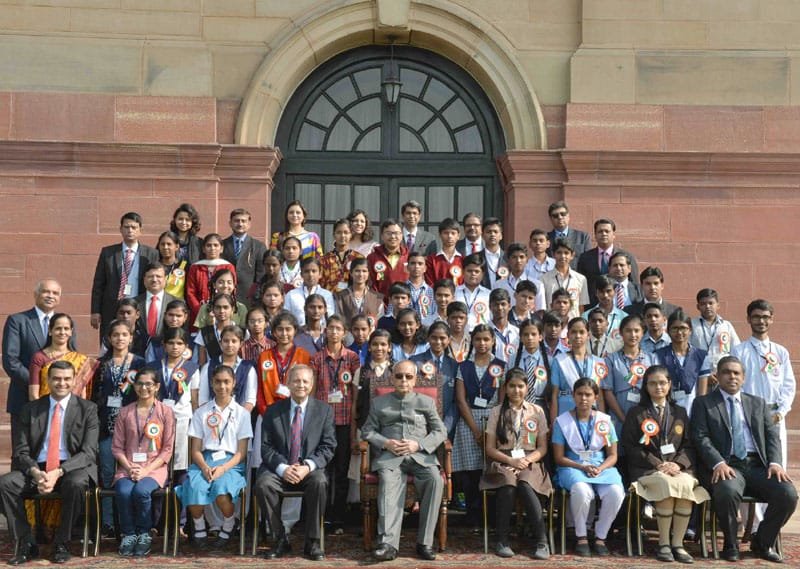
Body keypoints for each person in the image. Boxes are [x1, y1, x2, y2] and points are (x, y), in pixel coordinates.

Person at [690, 356, 797, 563]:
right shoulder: (703, 403)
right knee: (727, 490)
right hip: (727, 465)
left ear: (744, 377)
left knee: (788, 494)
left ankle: (762, 542)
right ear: (717, 376)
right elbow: (700, 437)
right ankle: (731, 544)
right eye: (726, 372)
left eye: (736, 373)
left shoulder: (757, 403)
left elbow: (772, 436)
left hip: (757, 466)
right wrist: (718, 462)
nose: (732, 377)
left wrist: (775, 463)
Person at [0, 360, 99, 565]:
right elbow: (21, 451)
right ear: (48, 380)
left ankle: (62, 543)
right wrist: (36, 472)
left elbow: (88, 453)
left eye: (66, 379)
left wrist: (59, 471)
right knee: (6, 484)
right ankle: (26, 542)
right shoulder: (30, 409)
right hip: (37, 468)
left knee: (77, 484)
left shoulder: (88, 409)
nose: (61, 383)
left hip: (71, 468)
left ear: (74, 380)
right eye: (56, 379)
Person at [622, 365, 709, 564]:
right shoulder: (636, 413)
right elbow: (630, 446)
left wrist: (678, 464)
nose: (658, 387)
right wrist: (657, 464)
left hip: (677, 469)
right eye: (652, 383)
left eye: (662, 383)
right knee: (666, 485)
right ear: (646, 386)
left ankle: (677, 544)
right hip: (648, 470)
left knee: (685, 485)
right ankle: (663, 544)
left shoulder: (680, 412)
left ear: (669, 384)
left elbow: (689, 445)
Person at [362, 360, 447, 562]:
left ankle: (424, 543)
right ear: (392, 378)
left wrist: (419, 445)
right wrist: (386, 443)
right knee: (387, 483)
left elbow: (440, 431)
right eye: (399, 376)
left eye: (408, 377)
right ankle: (388, 545)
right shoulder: (379, 403)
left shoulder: (426, 402)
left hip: (421, 456)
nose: (403, 380)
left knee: (435, 480)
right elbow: (367, 431)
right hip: (391, 457)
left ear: (415, 379)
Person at [256, 365, 335, 561]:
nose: (301, 385)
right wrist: (283, 468)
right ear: (288, 383)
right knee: (263, 484)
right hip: (280, 469)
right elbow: (265, 447)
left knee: (320, 482)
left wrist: (307, 466)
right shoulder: (273, 411)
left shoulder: (324, 411)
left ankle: (312, 542)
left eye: (305, 381)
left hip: (309, 470)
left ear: (312, 384)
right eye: (296, 381)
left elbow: (328, 446)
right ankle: (280, 539)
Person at [175, 365, 253, 547]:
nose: (222, 386)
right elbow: (195, 449)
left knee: (221, 490)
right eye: (218, 382)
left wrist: (223, 469)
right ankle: (199, 527)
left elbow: (241, 452)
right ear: (211, 383)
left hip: (231, 463)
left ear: (234, 383)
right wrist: (204, 467)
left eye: (226, 382)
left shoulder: (242, 413)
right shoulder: (201, 412)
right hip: (204, 461)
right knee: (194, 488)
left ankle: (229, 524)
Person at [481, 368, 552, 559]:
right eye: (512, 386)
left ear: (527, 388)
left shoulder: (537, 411)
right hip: (503, 459)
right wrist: (511, 461)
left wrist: (525, 461)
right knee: (508, 483)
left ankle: (542, 541)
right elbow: (490, 448)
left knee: (525, 483)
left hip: (530, 461)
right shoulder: (496, 412)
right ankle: (502, 540)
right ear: (505, 388)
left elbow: (542, 448)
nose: (516, 390)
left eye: (520, 386)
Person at [552, 378, 624, 557]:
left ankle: (600, 536)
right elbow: (559, 458)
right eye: (579, 394)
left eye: (588, 394)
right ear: (573, 395)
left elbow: (613, 455)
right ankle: (581, 535)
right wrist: (581, 467)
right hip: (573, 467)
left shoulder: (605, 421)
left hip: (601, 467)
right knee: (582, 491)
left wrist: (601, 468)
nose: (583, 398)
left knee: (616, 492)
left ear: (596, 397)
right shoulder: (562, 422)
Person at [111, 367, 176, 557]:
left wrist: (146, 470)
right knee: (123, 492)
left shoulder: (165, 412)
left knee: (141, 491)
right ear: (134, 386)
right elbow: (117, 447)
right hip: (128, 467)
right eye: (139, 384)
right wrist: (130, 467)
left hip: (154, 468)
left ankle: (144, 533)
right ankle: (129, 534)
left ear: (157, 387)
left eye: (149, 384)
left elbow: (167, 449)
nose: (144, 388)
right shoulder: (125, 412)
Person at [91, 320, 147, 537]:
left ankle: (131, 522)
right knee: (107, 474)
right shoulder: (100, 364)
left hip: (133, 428)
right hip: (107, 426)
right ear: (109, 338)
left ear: (131, 338)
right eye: (116, 335)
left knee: (131, 473)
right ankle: (108, 522)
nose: (120, 338)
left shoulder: (140, 363)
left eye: (125, 334)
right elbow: (94, 395)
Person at [452, 324, 506, 529]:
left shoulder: (500, 366)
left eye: (486, 339)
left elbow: (502, 400)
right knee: (471, 471)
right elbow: (461, 399)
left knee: (491, 467)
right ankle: (473, 514)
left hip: (494, 418)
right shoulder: (463, 367)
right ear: (472, 341)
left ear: (493, 341)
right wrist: (476, 430)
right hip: (469, 421)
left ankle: (491, 515)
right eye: (478, 339)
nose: (482, 343)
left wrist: (493, 428)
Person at [309, 315, 360, 531]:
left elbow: (356, 394)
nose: (334, 332)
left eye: (338, 328)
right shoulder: (316, 358)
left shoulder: (352, 358)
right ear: (325, 330)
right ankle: (321, 515)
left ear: (345, 332)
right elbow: (312, 392)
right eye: (330, 328)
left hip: (345, 421)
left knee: (341, 470)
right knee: (322, 470)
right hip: (323, 422)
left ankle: (338, 516)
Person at [731, 299, 795, 470]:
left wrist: (780, 413)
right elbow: (734, 384)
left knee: (777, 462)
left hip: (774, 414)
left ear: (771, 319)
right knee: (754, 461)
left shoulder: (780, 352)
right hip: (748, 414)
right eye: (756, 317)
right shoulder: (739, 351)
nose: (761, 321)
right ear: (748, 319)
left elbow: (789, 385)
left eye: (766, 317)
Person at [3, 278, 62, 445]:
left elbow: (71, 358)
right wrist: (38, 383)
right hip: (23, 397)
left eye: (55, 293)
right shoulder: (17, 321)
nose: (50, 296)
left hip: (57, 399)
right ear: (36, 294)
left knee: (51, 451)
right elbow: (11, 361)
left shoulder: (65, 323)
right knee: (22, 450)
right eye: (46, 292)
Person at [91, 212, 159, 339]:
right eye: (127, 227)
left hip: (139, 305)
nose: (130, 230)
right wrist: (95, 311)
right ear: (121, 229)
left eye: (134, 227)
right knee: (110, 341)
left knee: (139, 343)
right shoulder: (108, 253)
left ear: (140, 230)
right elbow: (99, 283)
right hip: (112, 307)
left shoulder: (151, 253)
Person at [149, 327, 197, 472]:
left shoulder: (192, 368)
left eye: (179, 343)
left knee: (179, 459)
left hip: (182, 418)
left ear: (186, 346)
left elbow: (194, 398)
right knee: (157, 456)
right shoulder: (153, 367)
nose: (175, 347)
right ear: (164, 345)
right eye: (171, 343)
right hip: (157, 419)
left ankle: (177, 484)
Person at [602, 314, 656, 434]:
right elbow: (608, 392)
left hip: (645, 418)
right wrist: (623, 419)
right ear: (621, 333)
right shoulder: (611, 359)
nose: (632, 335)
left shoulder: (651, 359)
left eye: (636, 331)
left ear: (643, 333)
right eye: (628, 331)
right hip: (618, 417)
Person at [549, 317, 608, 424]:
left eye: (581, 332)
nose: (577, 336)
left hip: (591, 412)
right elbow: (554, 395)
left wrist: (603, 422)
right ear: (568, 335)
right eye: (574, 332)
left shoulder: (599, 362)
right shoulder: (559, 360)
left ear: (588, 335)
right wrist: (554, 423)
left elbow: (600, 397)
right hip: (566, 411)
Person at [655, 310, 711, 416]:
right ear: (668, 331)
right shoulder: (659, 355)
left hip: (692, 411)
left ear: (690, 330)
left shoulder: (701, 356)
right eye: (675, 328)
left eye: (683, 328)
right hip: (666, 410)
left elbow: (702, 392)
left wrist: (699, 414)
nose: (679, 332)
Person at [29, 313, 96, 400]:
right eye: (58, 328)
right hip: (45, 407)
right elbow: (33, 395)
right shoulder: (39, 357)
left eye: (66, 329)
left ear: (71, 331)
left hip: (73, 407)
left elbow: (82, 396)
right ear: (50, 331)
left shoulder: (81, 360)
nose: (62, 332)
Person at [411, 321, 459, 439]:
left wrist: (445, 427)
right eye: (434, 337)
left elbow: (456, 401)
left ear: (449, 340)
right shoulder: (415, 362)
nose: (438, 342)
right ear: (428, 338)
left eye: (442, 338)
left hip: (446, 426)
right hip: (419, 425)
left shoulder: (454, 365)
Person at [576, 218, 639, 306]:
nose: (604, 234)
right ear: (595, 235)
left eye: (607, 231)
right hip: (593, 307)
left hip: (621, 304)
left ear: (613, 235)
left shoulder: (627, 256)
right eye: (600, 231)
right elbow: (581, 284)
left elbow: (635, 284)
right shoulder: (585, 258)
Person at [185, 233, 236, 327]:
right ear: (203, 249)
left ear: (221, 249)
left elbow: (232, 290)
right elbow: (190, 292)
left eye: (216, 245)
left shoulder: (228, 267)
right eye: (209, 245)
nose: (212, 248)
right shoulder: (195, 267)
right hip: (198, 314)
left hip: (223, 312)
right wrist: (201, 311)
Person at [222, 208, 267, 303]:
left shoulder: (259, 246)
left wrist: (256, 297)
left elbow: (261, 275)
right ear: (230, 223)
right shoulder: (222, 245)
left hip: (249, 297)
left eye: (243, 221)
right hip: (225, 296)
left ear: (249, 224)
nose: (240, 224)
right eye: (236, 221)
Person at [690, 288, 741, 372]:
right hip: (699, 372)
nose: (707, 306)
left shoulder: (726, 326)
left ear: (718, 305)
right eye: (703, 304)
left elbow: (736, 350)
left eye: (711, 303)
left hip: (723, 372)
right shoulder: (692, 325)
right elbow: (687, 350)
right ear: (698, 307)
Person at [540, 239, 589, 318]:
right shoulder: (544, 279)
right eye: (559, 253)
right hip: (552, 323)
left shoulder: (581, 279)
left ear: (572, 255)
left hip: (573, 323)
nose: (562, 256)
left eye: (566, 253)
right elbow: (542, 308)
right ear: (553, 254)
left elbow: (581, 307)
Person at [283, 257, 335, 326]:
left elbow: (330, 318)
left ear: (320, 274)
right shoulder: (291, 295)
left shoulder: (327, 295)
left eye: (314, 271)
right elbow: (286, 318)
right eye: (307, 271)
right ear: (301, 274)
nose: (310, 275)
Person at [335, 257, 384, 327]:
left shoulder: (377, 298)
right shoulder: (340, 296)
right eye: (357, 271)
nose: (361, 274)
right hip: (346, 333)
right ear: (351, 273)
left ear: (368, 273)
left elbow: (380, 321)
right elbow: (337, 319)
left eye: (364, 271)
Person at [367, 219, 410, 299]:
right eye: (388, 233)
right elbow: (370, 283)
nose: (393, 236)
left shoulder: (409, 257)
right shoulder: (372, 258)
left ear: (402, 235)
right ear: (382, 236)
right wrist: (379, 301)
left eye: (396, 233)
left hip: (404, 302)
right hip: (379, 302)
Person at [135, 263, 177, 342]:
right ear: (144, 280)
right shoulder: (134, 303)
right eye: (150, 276)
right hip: (139, 347)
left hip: (166, 346)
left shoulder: (176, 302)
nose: (154, 280)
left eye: (158, 276)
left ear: (165, 279)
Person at [319, 218, 363, 292]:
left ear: (351, 234)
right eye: (339, 232)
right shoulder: (324, 259)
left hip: (352, 297)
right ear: (334, 235)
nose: (342, 236)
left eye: (346, 232)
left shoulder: (358, 258)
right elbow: (320, 284)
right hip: (330, 297)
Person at [456, 254, 491, 332]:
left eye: (477, 271)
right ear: (463, 272)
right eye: (469, 271)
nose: (473, 274)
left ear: (483, 274)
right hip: (459, 334)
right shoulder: (454, 293)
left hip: (482, 335)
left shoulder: (489, 295)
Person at [425, 218, 464, 287]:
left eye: (453, 233)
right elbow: (430, 283)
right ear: (440, 235)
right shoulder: (431, 260)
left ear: (458, 236)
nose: (449, 236)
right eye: (446, 233)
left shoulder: (463, 260)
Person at [155, 231, 188, 299]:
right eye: (162, 244)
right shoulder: (154, 266)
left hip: (177, 304)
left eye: (169, 244)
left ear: (177, 247)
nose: (165, 247)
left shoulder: (185, 266)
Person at [479, 217, 507, 289]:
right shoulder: (476, 257)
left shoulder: (508, 258)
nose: (492, 234)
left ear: (501, 236)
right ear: (482, 236)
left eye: (495, 232)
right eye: (489, 232)